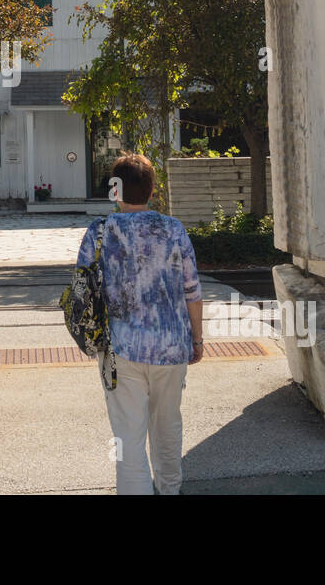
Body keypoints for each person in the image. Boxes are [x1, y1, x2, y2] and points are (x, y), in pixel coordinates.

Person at [76, 152, 203, 495]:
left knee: (128, 437)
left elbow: (81, 289)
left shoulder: (99, 232)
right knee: (168, 426)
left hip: (119, 350)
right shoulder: (173, 229)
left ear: (115, 191)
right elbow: (192, 290)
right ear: (150, 190)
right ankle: (170, 489)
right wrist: (197, 339)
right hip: (172, 345)